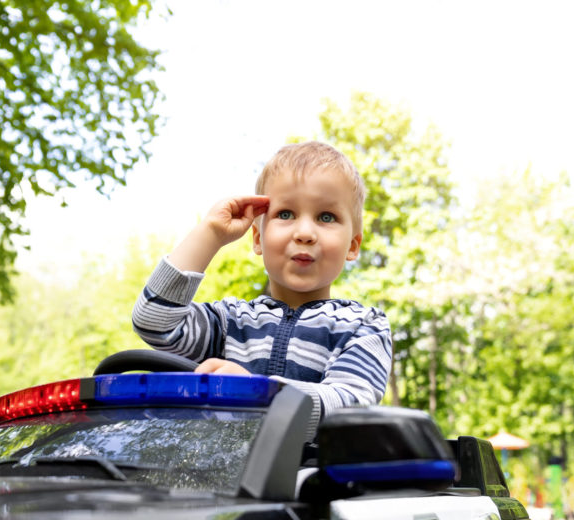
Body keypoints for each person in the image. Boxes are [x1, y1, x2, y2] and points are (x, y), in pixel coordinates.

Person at [132, 141, 392, 443]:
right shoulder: (230, 321)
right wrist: (210, 234)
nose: (305, 233)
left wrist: (258, 394)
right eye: (285, 214)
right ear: (257, 238)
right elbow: (154, 322)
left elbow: (350, 407)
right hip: (222, 482)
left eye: (326, 217)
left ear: (352, 245)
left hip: (313, 486)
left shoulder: (364, 327)